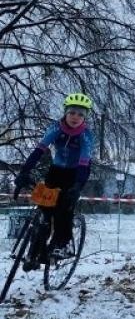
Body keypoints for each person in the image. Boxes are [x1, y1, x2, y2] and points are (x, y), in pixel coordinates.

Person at [14, 93, 95, 254]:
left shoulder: (86, 135)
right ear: (65, 112)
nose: (75, 117)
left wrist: (78, 185)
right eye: (72, 112)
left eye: (81, 114)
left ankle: (62, 245)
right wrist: (23, 173)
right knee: (45, 209)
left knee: (64, 209)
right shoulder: (56, 128)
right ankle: (36, 252)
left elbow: (84, 161)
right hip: (56, 171)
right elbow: (38, 151)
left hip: (76, 173)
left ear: (85, 117)